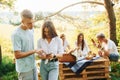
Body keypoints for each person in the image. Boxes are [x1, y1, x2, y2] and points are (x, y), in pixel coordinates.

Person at [11, 9, 40, 80]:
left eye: (32, 22)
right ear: (22, 22)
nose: (32, 25)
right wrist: (34, 51)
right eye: (29, 23)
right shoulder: (16, 34)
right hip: (24, 69)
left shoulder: (31, 30)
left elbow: (28, 47)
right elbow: (17, 55)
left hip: (33, 66)